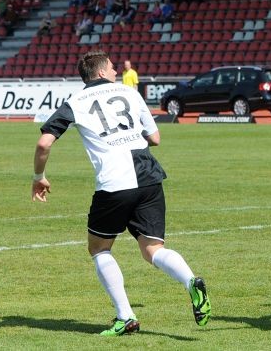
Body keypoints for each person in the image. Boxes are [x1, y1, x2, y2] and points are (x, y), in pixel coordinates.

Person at [31, 51, 211, 336]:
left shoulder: (75, 102)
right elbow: (155, 138)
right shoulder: (130, 93)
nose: (116, 71)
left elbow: (44, 144)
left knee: (99, 248)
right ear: (101, 72)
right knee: (153, 250)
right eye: (113, 68)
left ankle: (125, 317)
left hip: (115, 182)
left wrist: (39, 177)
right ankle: (190, 281)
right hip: (149, 176)